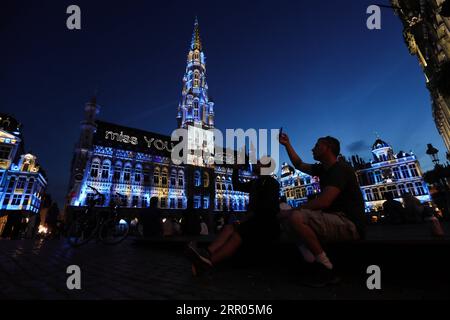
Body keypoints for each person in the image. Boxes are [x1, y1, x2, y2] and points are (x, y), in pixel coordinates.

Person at [279, 133, 366, 287]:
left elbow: (325, 201)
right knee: (285, 212)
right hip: (333, 218)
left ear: (328, 148)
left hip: (348, 222)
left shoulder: (340, 169)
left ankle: (326, 269)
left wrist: (294, 210)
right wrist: (287, 144)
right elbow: (299, 164)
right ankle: (312, 261)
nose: (313, 149)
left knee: (295, 217)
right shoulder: (324, 169)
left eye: (317, 145)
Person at [185, 157, 281, 276]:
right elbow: (237, 186)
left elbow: (268, 208)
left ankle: (208, 262)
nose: (255, 163)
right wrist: (235, 169)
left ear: (266, 167)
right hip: (254, 221)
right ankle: (206, 253)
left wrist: (246, 218)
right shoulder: (256, 182)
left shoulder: (272, 183)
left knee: (237, 234)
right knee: (229, 228)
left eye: (259, 163)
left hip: (266, 223)